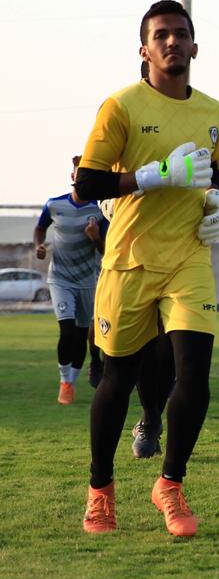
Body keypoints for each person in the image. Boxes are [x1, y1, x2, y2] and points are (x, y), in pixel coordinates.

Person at [74, 0, 219, 536]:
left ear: (195, 46)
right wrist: (150, 177)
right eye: (161, 35)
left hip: (189, 257)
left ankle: (170, 483)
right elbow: (87, 185)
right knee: (118, 378)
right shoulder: (120, 106)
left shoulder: (212, 112)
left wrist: (218, 203)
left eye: (181, 34)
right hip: (130, 260)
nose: (172, 42)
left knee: (193, 373)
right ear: (144, 50)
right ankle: (101, 490)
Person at [35, 155, 107, 403]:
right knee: (66, 330)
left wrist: (95, 237)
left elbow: (107, 250)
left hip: (87, 280)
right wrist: (39, 245)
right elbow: (40, 227)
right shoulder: (54, 205)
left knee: (80, 335)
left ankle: (72, 381)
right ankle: (64, 380)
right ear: (73, 176)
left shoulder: (100, 210)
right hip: (60, 278)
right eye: (81, 172)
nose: (84, 176)